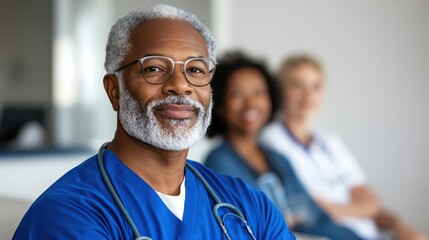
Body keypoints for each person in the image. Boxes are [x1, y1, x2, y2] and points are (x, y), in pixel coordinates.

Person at [13, 5, 295, 239]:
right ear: (115, 90)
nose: (180, 86)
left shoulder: (251, 207)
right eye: (155, 69)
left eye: (196, 69)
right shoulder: (69, 214)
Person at [260, 54, 427, 240]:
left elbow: (372, 202)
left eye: (316, 86)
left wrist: (398, 225)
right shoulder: (272, 140)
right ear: (280, 90)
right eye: (298, 85)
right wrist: (357, 209)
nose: (309, 95)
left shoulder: (330, 142)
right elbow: (308, 208)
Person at [204, 52, 362, 239]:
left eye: (258, 92)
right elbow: (252, 226)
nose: (251, 103)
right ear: (220, 104)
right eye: (237, 94)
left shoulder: (278, 159)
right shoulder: (219, 162)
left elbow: (316, 216)